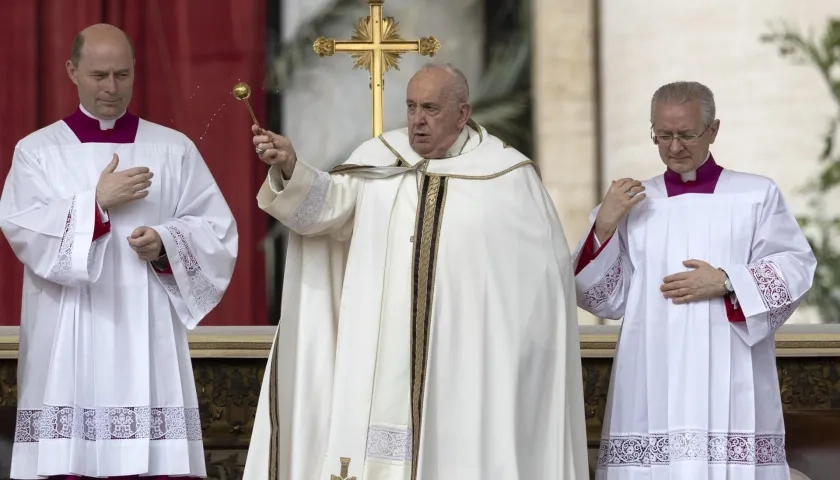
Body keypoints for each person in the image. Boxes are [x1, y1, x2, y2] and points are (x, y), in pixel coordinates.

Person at [242, 63, 589, 480]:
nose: (417, 121)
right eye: (410, 107)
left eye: (430, 108)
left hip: (467, 361)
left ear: (462, 114)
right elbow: (323, 209)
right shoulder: (379, 159)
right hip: (381, 350)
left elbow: (539, 284)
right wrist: (290, 166)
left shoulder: (508, 177)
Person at [0, 23, 238, 479]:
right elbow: (23, 227)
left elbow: (216, 229)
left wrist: (165, 242)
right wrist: (96, 204)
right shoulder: (38, 152)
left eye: (122, 75)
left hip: (145, 326)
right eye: (99, 75)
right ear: (72, 71)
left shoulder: (172, 148)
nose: (112, 88)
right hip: (70, 328)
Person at [574, 81, 816, 479]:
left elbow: (796, 267)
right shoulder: (633, 203)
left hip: (731, 369)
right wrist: (603, 224)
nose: (674, 147)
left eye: (686, 134)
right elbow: (604, 298)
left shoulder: (755, 195)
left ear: (713, 129)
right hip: (652, 369)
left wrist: (726, 281)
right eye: (663, 135)